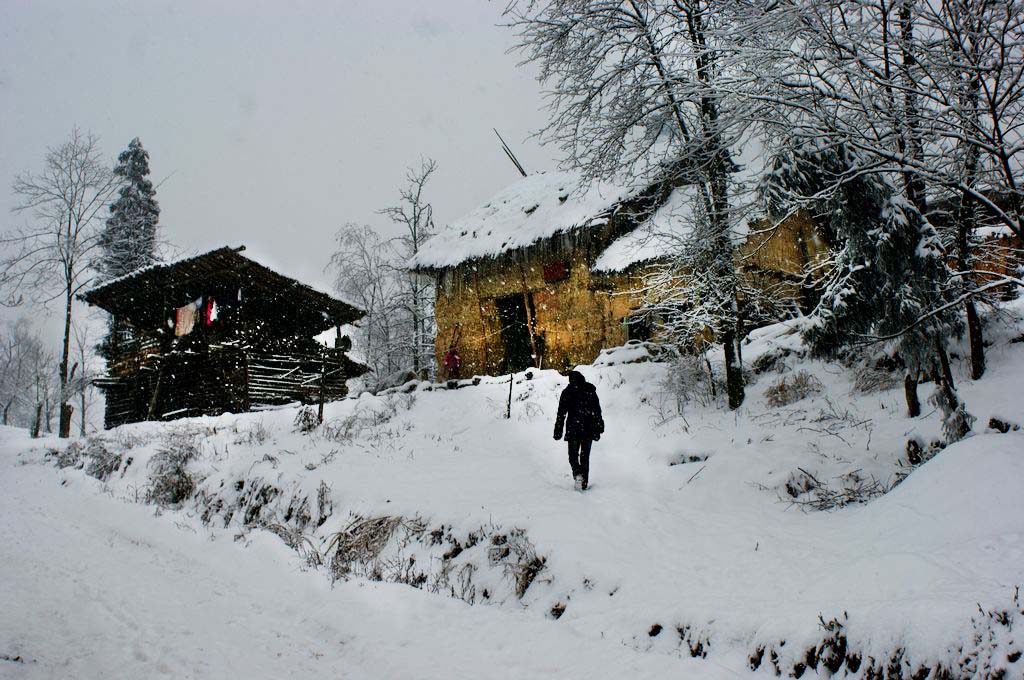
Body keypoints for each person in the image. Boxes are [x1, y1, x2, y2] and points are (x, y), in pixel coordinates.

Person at [553, 370, 604, 491]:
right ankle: (584, 483)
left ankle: (577, 474)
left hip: (573, 429)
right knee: (584, 457)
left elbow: (561, 413)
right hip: (588, 429)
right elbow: (597, 411)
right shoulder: (590, 390)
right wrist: (599, 426)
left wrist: (558, 430)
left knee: (573, 457)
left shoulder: (567, 392)